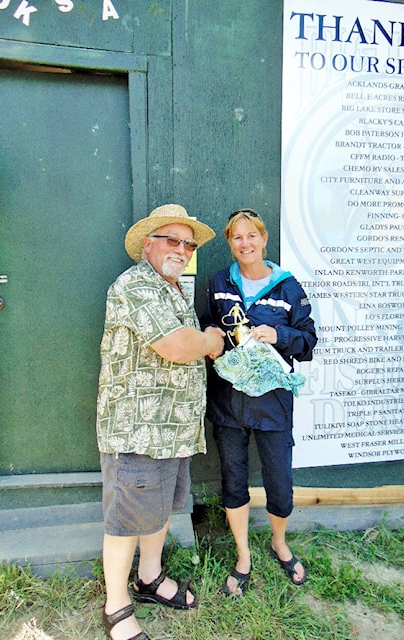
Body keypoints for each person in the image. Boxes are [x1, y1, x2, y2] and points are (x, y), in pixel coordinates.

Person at [96, 204, 226, 640]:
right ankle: (116, 608)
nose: (183, 250)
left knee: (161, 512)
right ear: (147, 244)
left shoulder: (171, 289)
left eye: (188, 244)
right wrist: (211, 340)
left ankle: (148, 578)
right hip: (140, 431)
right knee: (127, 521)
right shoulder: (135, 285)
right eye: (173, 240)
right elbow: (174, 344)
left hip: (173, 430)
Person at [201, 208, 318, 597]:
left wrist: (279, 334)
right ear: (230, 243)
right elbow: (207, 324)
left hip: (273, 402)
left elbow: (308, 341)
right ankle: (243, 555)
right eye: (237, 237)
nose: (245, 243)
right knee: (234, 480)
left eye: (252, 236)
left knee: (279, 482)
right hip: (229, 400)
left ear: (264, 239)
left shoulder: (287, 287)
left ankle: (280, 543)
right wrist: (211, 336)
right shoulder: (219, 282)